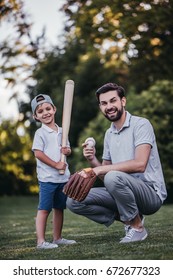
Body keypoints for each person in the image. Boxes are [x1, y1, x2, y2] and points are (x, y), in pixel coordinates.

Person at [67, 82, 167, 243]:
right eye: (104, 103)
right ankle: (132, 219)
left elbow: (140, 164)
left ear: (123, 101)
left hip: (150, 194)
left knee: (112, 176)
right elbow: (105, 177)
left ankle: (138, 229)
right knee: (74, 200)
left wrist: (101, 171)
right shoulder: (109, 134)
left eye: (113, 100)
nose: (109, 106)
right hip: (122, 191)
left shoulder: (141, 125)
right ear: (100, 107)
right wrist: (92, 160)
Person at [31, 94, 76, 249]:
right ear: (36, 116)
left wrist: (67, 150)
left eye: (48, 108)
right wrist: (56, 165)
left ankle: (57, 238)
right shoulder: (40, 133)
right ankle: (41, 242)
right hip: (47, 179)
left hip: (62, 179)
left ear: (54, 109)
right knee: (44, 209)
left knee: (59, 208)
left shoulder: (63, 130)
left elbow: (67, 150)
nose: (46, 113)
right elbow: (38, 153)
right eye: (40, 111)